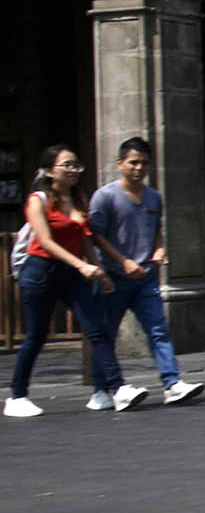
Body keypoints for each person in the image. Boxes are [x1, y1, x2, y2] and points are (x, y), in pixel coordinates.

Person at [8, 146, 138, 418]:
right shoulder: (38, 199)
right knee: (36, 336)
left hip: (73, 274)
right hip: (41, 271)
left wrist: (99, 270)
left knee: (97, 328)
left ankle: (117, 389)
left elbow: (85, 237)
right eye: (66, 165)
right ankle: (17, 396)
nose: (73, 170)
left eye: (76, 165)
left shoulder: (79, 198)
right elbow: (44, 241)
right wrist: (81, 265)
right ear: (48, 170)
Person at [90, 138, 204, 407]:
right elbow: (95, 236)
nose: (139, 168)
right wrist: (122, 260)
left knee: (159, 330)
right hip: (113, 277)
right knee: (105, 334)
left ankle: (172, 383)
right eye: (133, 162)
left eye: (144, 163)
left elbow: (156, 230)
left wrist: (160, 249)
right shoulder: (104, 196)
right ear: (120, 164)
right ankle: (100, 391)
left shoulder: (154, 197)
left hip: (145, 277)